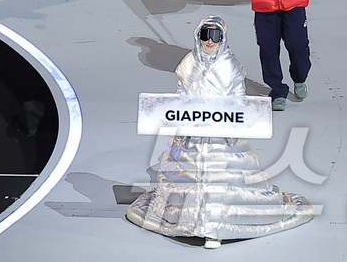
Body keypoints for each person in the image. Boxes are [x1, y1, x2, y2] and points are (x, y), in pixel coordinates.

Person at [125, 16, 316, 248]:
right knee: (192, 177)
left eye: (215, 36)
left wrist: (230, 126)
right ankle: (192, 223)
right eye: (205, 35)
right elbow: (181, 95)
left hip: (222, 136)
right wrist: (182, 123)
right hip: (193, 134)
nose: (210, 41)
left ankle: (214, 230)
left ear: (222, 38)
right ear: (198, 36)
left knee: (219, 179)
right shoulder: (188, 63)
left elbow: (239, 100)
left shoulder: (230, 66)